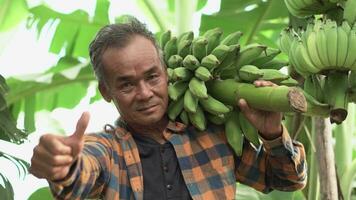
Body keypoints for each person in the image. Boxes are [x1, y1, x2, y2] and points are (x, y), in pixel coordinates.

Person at [30, 17, 307, 200]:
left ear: (167, 74)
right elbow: (81, 174)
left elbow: (287, 180)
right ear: (106, 92)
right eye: (126, 85)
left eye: (152, 77)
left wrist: (272, 134)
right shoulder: (108, 151)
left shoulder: (212, 135)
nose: (144, 93)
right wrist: (63, 167)